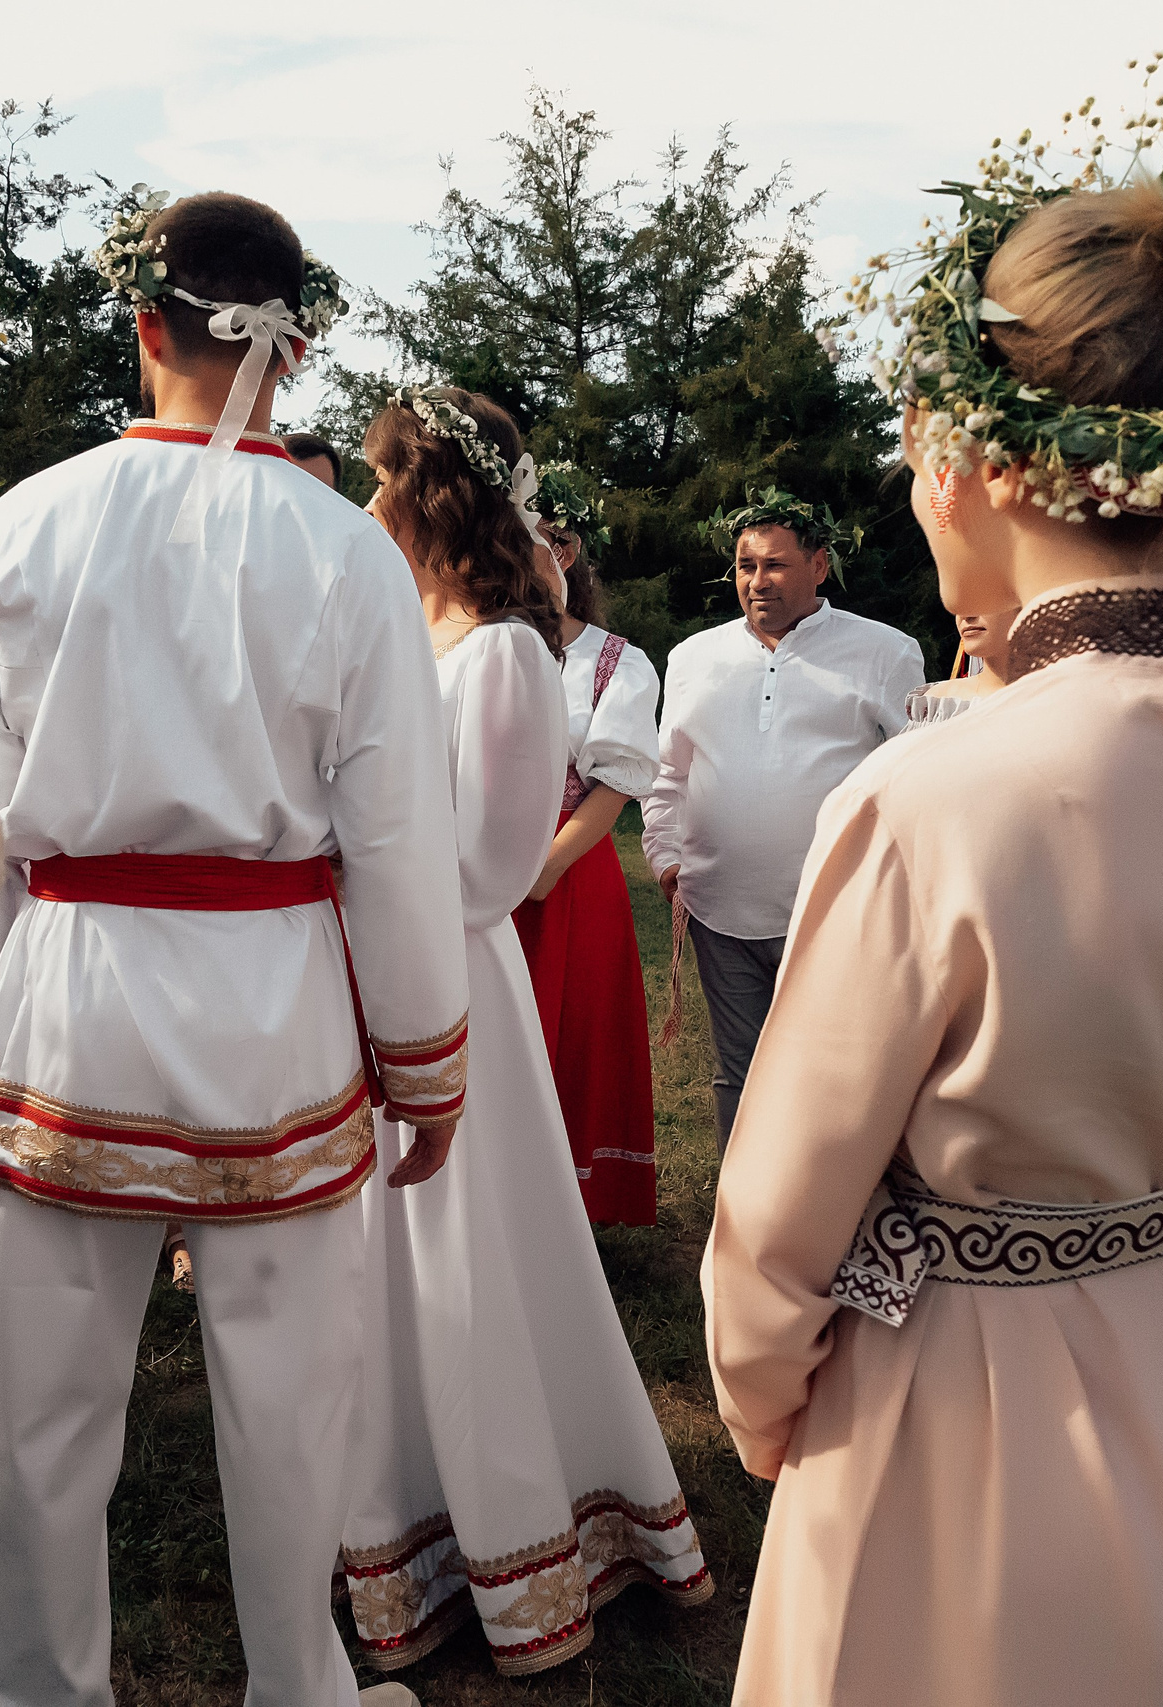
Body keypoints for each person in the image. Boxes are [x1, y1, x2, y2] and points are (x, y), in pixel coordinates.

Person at [705, 147, 1163, 1707]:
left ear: (974, 459)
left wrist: (764, 1401)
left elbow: (780, 1209)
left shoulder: (936, 795)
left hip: (970, 1426)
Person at [0, 190, 467, 1707]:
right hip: (274, 1019)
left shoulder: (24, 519)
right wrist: (424, 1055)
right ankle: (296, 1687)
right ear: (291, 351)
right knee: (287, 1393)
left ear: (144, 326)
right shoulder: (345, 550)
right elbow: (394, 833)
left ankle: (46, 1687)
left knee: (45, 1402)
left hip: (73, 998)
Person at [340, 387, 711, 1676]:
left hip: (448, 978)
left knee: (466, 1252)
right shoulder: (405, 633)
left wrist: (348, 875)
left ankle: (511, 1522)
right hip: (379, 969)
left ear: (428, 494)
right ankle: (388, 1507)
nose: (366, 500)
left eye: (382, 479)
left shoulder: (501, 651)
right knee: (381, 1261)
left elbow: (490, 865)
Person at [639, 488, 922, 1149]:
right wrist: (665, 856)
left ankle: (827, 1218)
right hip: (719, 907)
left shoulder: (883, 651)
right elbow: (667, 774)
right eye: (745, 565)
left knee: (832, 1074)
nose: (757, 581)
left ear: (819, 566)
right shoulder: (693, 657)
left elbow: (915, 775)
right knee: (739, 1075)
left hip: (836, 911)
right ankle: (744, 1224)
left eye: (775, 564)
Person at [513, 460, 663, 1225]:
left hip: (563, 877)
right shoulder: (474, 644)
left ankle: (561, 1215)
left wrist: (547, 865)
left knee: (566, 1039)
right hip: (480, 876)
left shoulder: (615, 661)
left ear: (559, 551)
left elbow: (615, 784)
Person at [901, 606, 1016, 730]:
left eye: (984, 598)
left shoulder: (1036, 702)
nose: (966, 615)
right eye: (960, 603)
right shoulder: (937, 705)